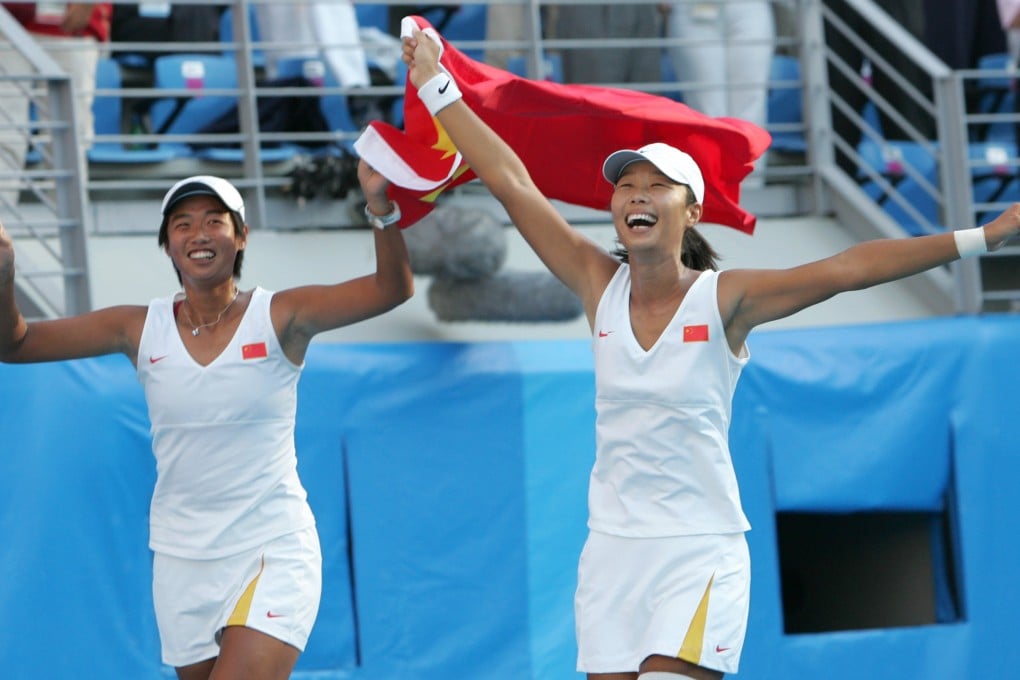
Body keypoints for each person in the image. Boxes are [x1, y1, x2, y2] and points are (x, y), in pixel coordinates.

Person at [399, 23, 1020, 680]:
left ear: (690, 211)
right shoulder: (596, 285)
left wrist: (986, 234)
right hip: (610, 554)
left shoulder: (727, 300)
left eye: (656, 185)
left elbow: (848, 268)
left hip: (698, 553)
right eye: (625, 184)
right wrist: (437, 83)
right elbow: (511, 182)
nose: (636, 194)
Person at [0, 166, 412, 679]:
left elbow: (392, 288)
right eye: (182, 225)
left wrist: (379, 205)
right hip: (181, 557)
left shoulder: (283, 314)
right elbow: (13, 344)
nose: (198, 234)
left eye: (215, 221)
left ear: (241, 237)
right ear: (168, 247)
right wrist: (5, 271)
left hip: (272, 547)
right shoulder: (137, 327)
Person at [0, 2, 111, 208]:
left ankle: (68, 233)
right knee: (5, 131)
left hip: (71, 22)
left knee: (70, 136)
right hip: (6, 19)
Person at [664, 0, 775, 185]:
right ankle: (712, 199)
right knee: (706, 111)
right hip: (690, 9)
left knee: (750, 108)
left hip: (749, 8)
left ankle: (751, 194)